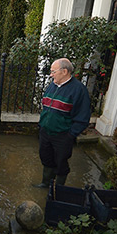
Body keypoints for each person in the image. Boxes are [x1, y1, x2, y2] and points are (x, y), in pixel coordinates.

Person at [34, 58, 91, 188]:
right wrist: (42, 125)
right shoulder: (53, 85)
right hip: (46, 131)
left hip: (63, 135)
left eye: (53, 71)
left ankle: (57, 189)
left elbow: (83, 117)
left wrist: (70, 135)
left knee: (61, 163)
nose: (51, 74)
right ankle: (45, 183)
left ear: (64, 71)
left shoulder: (78, 90)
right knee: (46, 158)